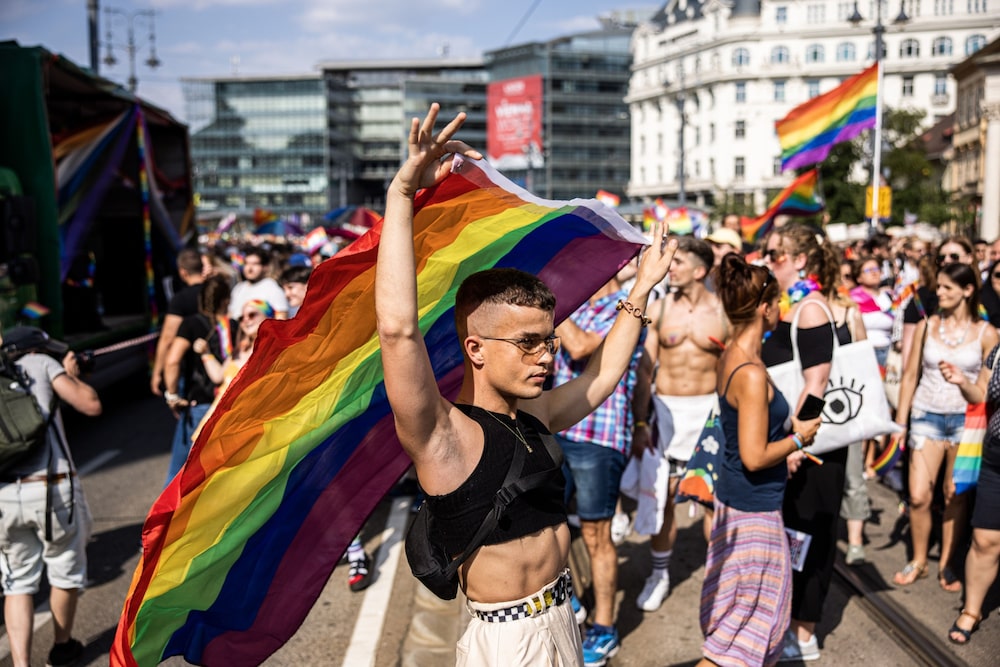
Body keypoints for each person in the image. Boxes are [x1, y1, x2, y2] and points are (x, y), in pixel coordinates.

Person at [374, 103, 674, 667]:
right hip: (510, 644)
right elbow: (397, 331)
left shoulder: (534, 419)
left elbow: (605, 374)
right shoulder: (443, 437)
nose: (544, 356)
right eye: (528, 343)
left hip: (564, 620)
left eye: (548, 340)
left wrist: (643, 286)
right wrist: (401, 196)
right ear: (476, 349)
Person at [697, 255, 821, 667]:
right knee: (739, 639)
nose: (782, 310)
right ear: (766, 308)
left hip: (739, 503)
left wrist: (780, 450)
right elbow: (753, 456)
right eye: (779, 302)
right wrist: (798, 440)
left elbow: (744, 439)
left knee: (740, 624)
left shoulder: (732, 355)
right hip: (753, 512)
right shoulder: (749, 371)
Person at [760, 223, 865, 663]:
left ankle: (804, 632)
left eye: (776, 254)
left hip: (812, 448)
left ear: (800, 260)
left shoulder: (812, 310)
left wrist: (796, 446)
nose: (768, 260)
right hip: (793, 445)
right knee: (791, 536)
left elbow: (816, 383)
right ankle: (790, 621)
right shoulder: (787, 308)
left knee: (811, 536)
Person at [552, 264, 652, 664]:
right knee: (545, 523)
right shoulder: (576, 304)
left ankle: (605, 627)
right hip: (560, 429)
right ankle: (571, 601)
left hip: (600, 436)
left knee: (595, 535)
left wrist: (551, 299)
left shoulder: (624, 307)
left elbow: (578, 348)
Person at [635, 236, 729, 612]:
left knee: (712, 500)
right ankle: (659, 573)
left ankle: (719, 575)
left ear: (700, 270)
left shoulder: (723, 312)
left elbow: (736, 367)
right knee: (665, 498)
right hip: (666, 412)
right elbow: (644, 370)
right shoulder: (658, 310)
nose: (670, 268)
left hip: (708, 413)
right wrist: (641, 422)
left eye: (678, 262)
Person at [891, 262, 998, 591]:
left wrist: (962, 380)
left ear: (967, 291)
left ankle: (948, 564)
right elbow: (910, 376)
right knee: (919, 496)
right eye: (938, 286)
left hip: (965, 424)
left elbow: (987, 389)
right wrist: (899, 422)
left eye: (947, 287)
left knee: (955, 496)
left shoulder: (987, 333)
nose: (939, 292)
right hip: (926, 416)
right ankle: (919, 560)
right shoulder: (927, 325)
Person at [0, 324, 101, 667]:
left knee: (17, 582)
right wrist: (70, 376)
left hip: (4, 495)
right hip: (50, 489)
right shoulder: (41, 363)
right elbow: (90, 405)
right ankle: (62, 646)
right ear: (32, 349)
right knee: (64, 569)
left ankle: (20, 664)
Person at [940, 335, 1000, 644]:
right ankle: (972, 610)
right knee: (985, 539)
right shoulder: (998, 350)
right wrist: (962, 381)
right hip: (995, 456)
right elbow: (980, 395)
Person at [163, 275, 233, 484]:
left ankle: (170, 517)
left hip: (200, 407)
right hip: (228, 406)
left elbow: (173, 361)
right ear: (226, 301)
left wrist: (172, 395)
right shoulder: (236, 326)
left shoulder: (191, 324)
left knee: (178, 477)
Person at [151, 248, 210, 396]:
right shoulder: (215, 291)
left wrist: (157, 372)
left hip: (193, 369)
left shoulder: (180, 300)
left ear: (183, 272)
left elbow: (167, 338)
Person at [227, 247, 289, 320]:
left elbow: (281, 320)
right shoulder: (239, 287)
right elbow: (230, 315)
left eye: (255, 264)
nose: (249, 268)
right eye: (246, 263)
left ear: (265, 267)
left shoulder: (273, 289)